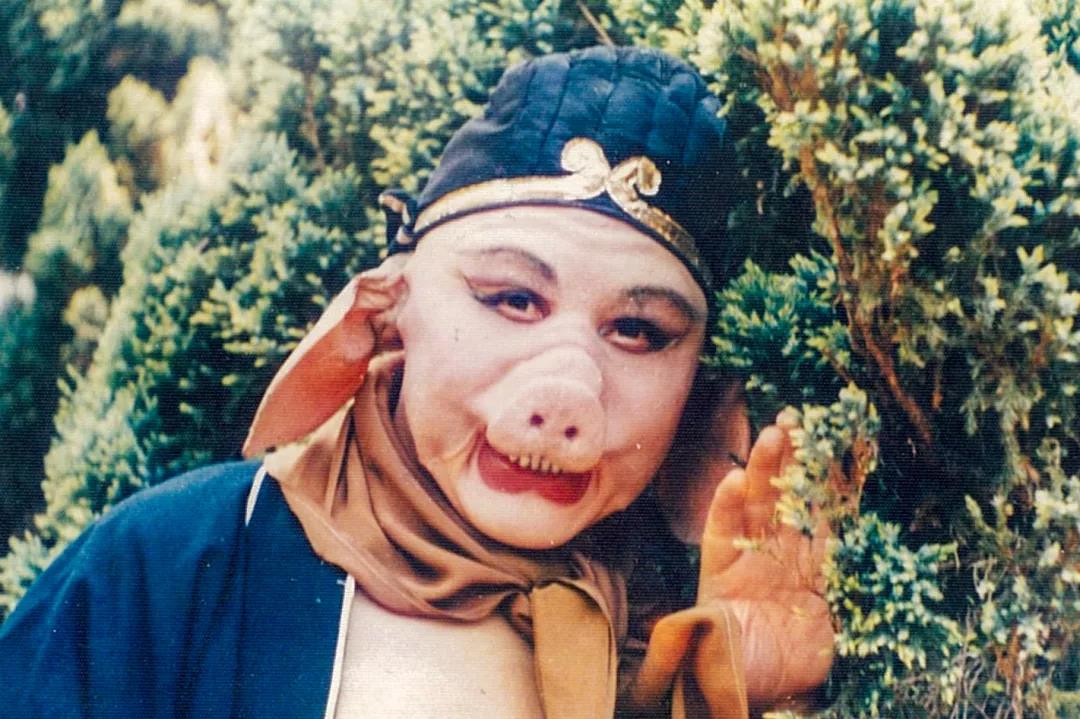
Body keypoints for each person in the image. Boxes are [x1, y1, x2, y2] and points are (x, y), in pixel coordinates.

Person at [0, 45, 833, 718]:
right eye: (512, 298)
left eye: (637, 330)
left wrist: (746, 694)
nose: (565, 400)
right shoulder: (170, 565)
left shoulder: (656, 633)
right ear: (391, 304)